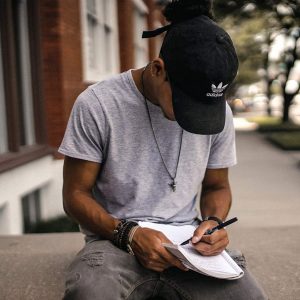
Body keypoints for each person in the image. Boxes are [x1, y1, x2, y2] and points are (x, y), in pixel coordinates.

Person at [59, 1, 267, 299]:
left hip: (188, 246)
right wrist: (128, 234)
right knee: (91, 293)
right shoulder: (98, 104)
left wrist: (213, 223)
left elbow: (217, 186)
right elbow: (75, 195)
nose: (197, 116)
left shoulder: (220, 113)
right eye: (187, 104)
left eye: (205, 105)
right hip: (114, 240)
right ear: (158, 70)